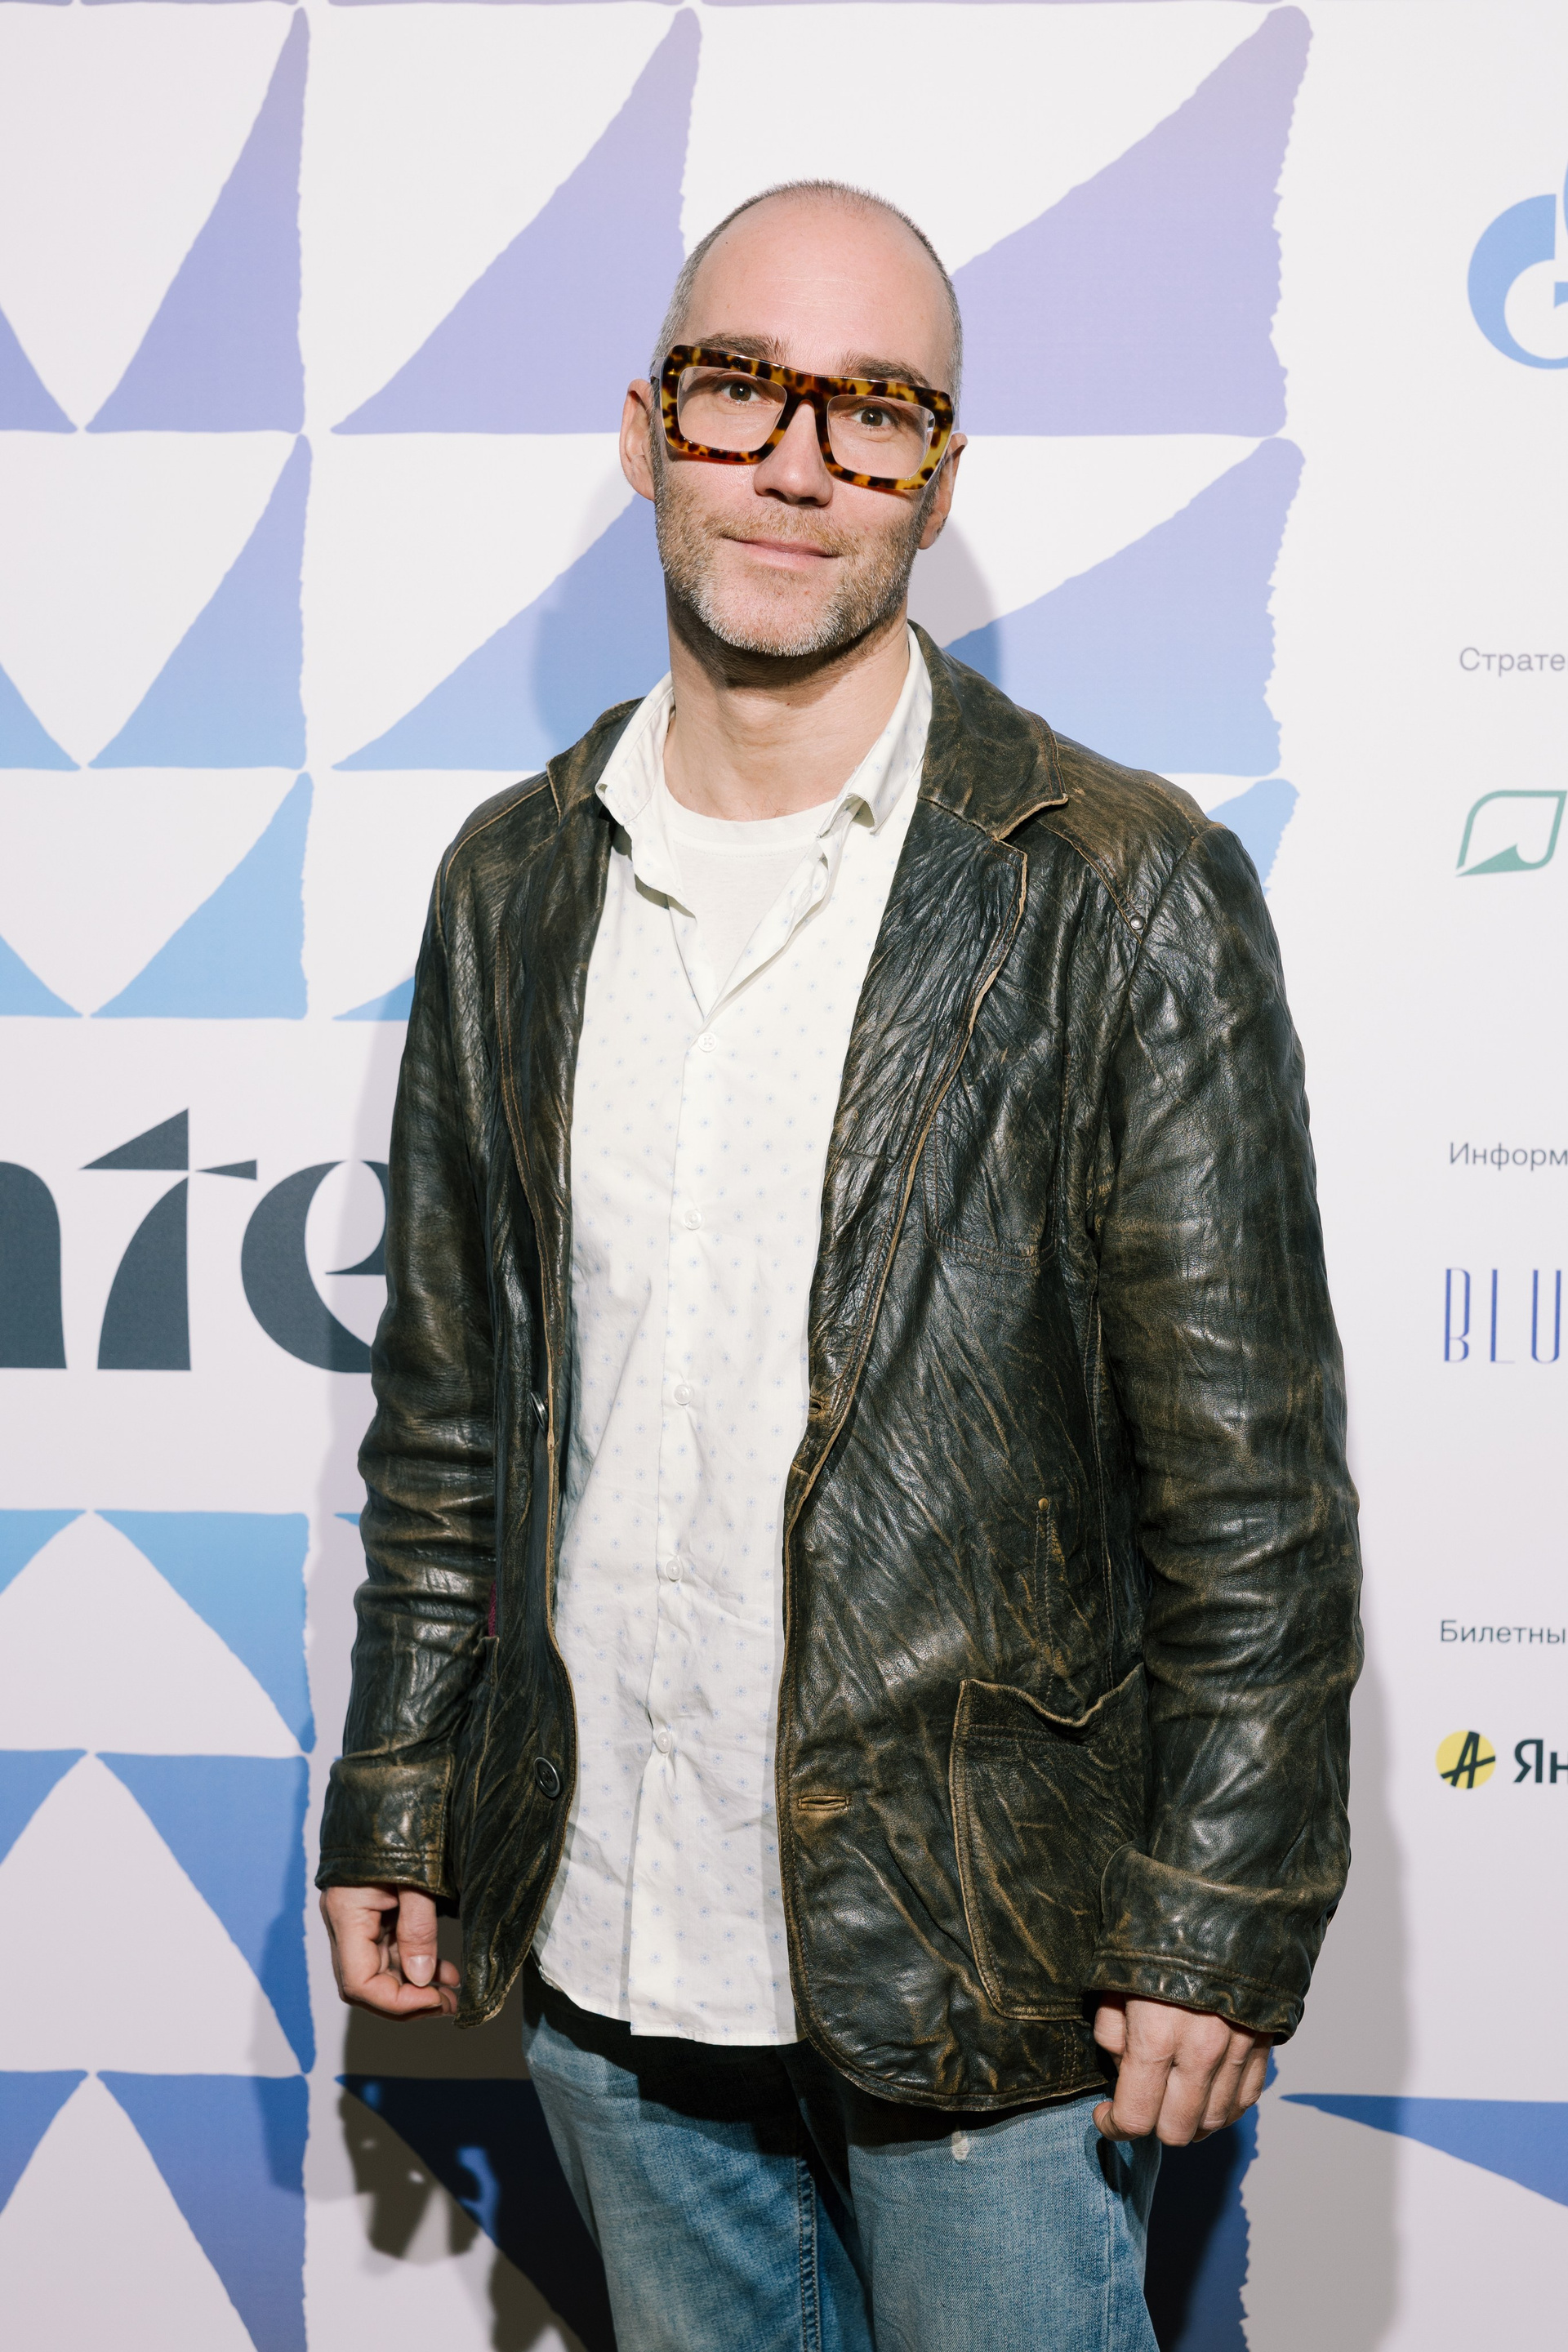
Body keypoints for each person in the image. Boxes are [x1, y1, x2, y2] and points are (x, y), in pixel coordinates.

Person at [318, 180, 1361, 2351]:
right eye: (742, 391)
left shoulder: (1118, 886)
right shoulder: (511, 883)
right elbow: (450, 1425)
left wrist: (1222, 1913)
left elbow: (1253, 1496)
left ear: (936, 483)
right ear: (647, 431)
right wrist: (403, 1786)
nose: (798, 463)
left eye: (875, 411)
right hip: (605, 1947)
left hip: (993, 1968)